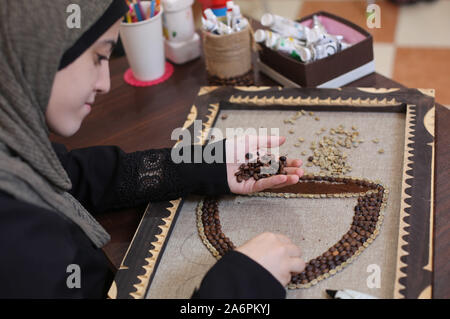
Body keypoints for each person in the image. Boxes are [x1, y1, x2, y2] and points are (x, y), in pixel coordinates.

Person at [0, 0, 305, 298]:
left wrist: (201, 163)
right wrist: (241, 284)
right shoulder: (17, 235)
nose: (105, 82)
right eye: (98, 56)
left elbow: (72, 175)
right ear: (40, 49)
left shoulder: (15, 147)